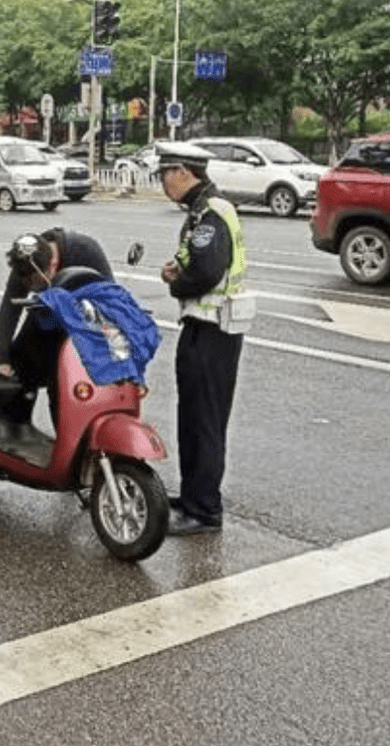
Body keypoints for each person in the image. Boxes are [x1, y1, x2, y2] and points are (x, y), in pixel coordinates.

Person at [157, 141, 247, 536]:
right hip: (204, 329)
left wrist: (177, 281)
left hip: (212, 333)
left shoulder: (211, 214)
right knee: (192, 419)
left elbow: (206, 272)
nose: (162, 183)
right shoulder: (203, 209)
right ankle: (193, 495)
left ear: (183, 172)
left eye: (164, 174)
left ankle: (204, 509)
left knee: (204, 421)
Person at [0, 228, 112, 422]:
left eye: (35, 283)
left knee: (63, 383)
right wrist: (4, 359)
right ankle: (16, 424)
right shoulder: (26, 260)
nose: (31, 287)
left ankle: (71, 435)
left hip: (87, 322)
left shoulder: (86, 252)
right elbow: (9, 309)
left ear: (52, 266)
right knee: (20, 362)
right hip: (48, 315)